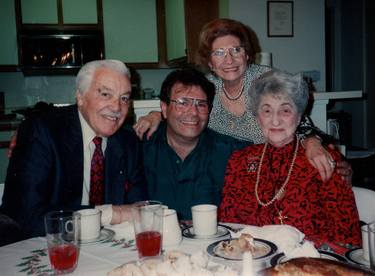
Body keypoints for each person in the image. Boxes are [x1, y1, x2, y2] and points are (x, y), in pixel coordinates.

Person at [133, 18, 352, 184]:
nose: (228, 59)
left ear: (246, 55)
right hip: (226, 176)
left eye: (235, 50)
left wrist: (313, 143)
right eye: (219, 52)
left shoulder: (267, 81)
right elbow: (182, 109)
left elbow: (296, 120)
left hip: (272, 172)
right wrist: (156, 115)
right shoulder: (206, 88)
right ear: (209, 62)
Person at [0, 60, 147, 239]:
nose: (117, 107)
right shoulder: (42, 132)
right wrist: (108, 214)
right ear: (80, 96)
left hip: (105, 249)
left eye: (124, 98)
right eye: (106, 94)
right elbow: (26, 215)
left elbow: (139, 210)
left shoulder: (128, 140)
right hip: (43, 246)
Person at [218, 70, 361, 252]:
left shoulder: (323, 159)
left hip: (309, 263)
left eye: (285, 110)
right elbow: (228, 227)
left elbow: (347, 238)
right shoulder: (239, 161)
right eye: (267, 110)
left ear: (299, 116)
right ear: (257, 117)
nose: (275, 120)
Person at [142, 68, 249, 220]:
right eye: (182, 103)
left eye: (201, 104)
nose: (193, 112)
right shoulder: (140, 149)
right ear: (164, 109)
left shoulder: (233, 153)